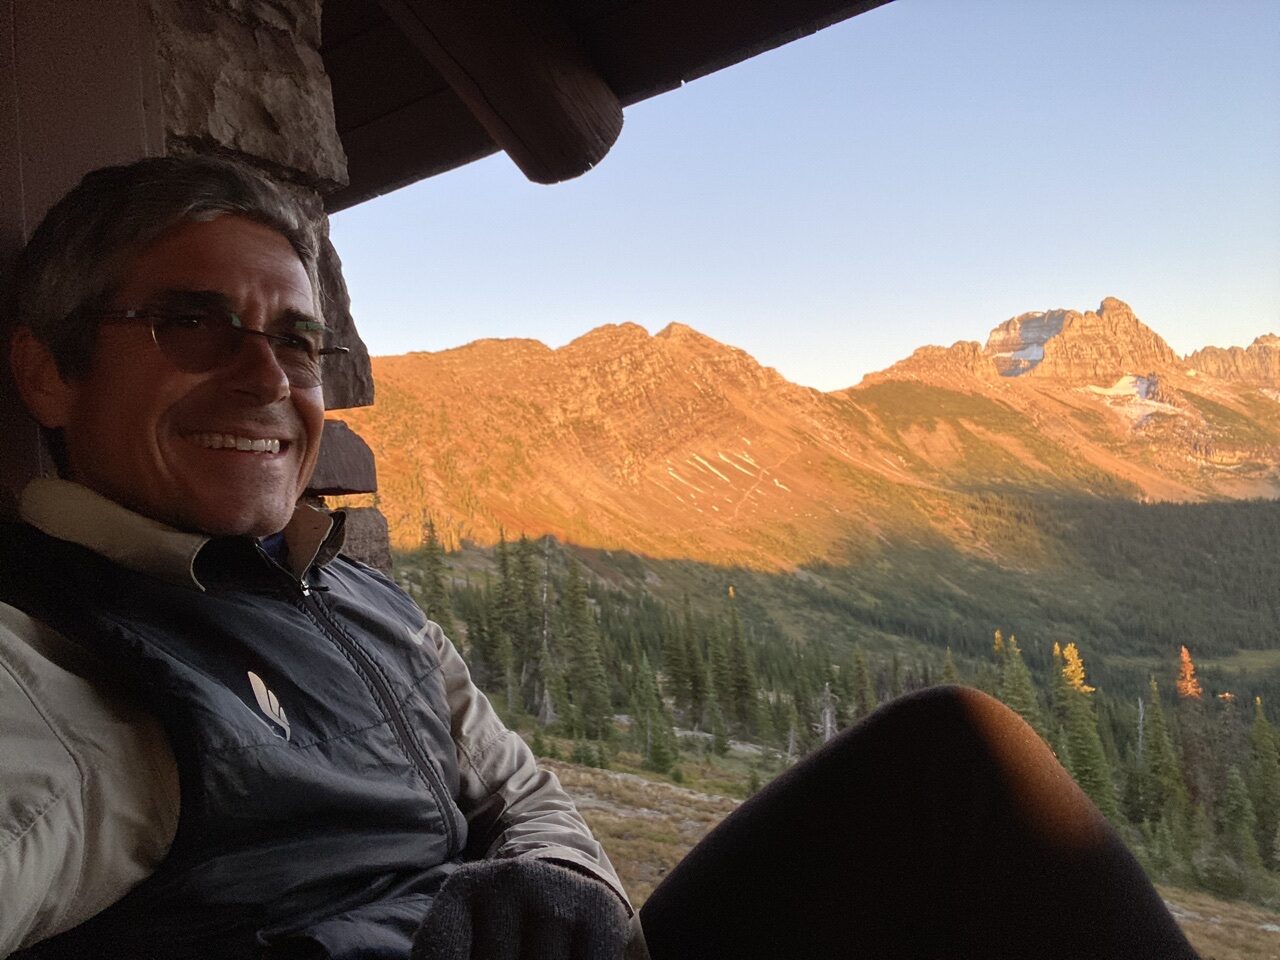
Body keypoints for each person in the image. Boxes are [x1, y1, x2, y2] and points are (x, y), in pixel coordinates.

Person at [0, 157, 1199, 960]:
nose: (265, 377)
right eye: (191, 322)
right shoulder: (53, 675)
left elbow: (521, 795)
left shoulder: (348, 599)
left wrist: (559, 890)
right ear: (49, 369)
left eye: (296, 341)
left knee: (953, 755)